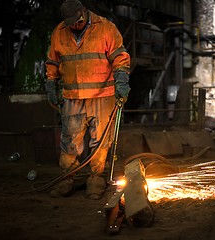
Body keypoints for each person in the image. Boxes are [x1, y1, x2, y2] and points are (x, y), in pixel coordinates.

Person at [44, 0, 131, 199]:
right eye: (70, 23)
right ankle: (66, 180)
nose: (74, 25)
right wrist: (51, 85)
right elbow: (53, 62)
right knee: (70, 142)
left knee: (100, 142)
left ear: (83, 12)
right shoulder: (59, 32)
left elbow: (120, 57)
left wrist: (121, 82)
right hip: (73, 97)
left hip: (102, 95)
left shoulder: (106, 28)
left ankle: (95, 180)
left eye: (77, 21)